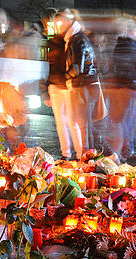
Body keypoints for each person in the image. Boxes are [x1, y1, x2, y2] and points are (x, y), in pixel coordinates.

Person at [54, 9, 100, 158]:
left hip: (81, 86)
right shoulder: (76, 38)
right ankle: (87, 156)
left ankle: (87, 157)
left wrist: (62, 78)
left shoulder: (76, 40)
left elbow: (76, 68)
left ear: (68, 22)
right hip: (85, 85)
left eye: (60, 22)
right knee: (80, 123)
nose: (58, 26)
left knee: (81, 123)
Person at [108, 18, 136, 162]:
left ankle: (123, 150)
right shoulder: (132, 46)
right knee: (125, 121)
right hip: (129, 86)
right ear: (131, 31)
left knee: (120, 120)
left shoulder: (118, 45)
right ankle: (121, 152)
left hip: (118, 85)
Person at [41, 8, 74, 160]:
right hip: (56, 84)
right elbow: (51, 66)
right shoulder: (53, 41)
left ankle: (78, 153)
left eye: (47, 24)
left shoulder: (64, 40)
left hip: (65, 85)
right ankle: (66, 153)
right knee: (62, 122)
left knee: (71, 122)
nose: (46, 27)